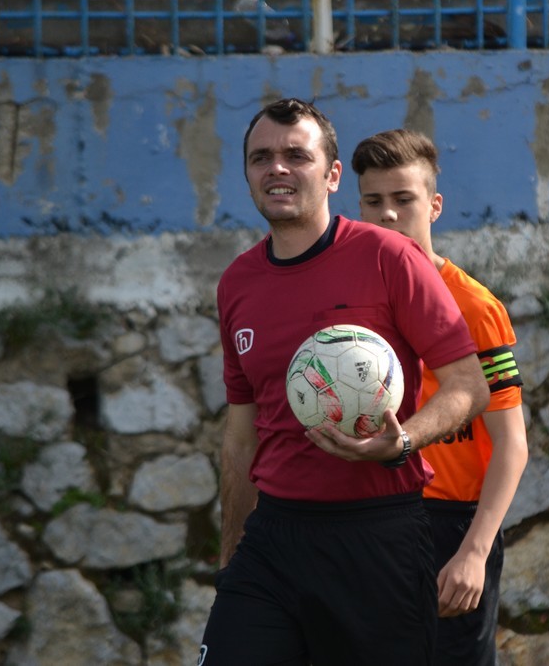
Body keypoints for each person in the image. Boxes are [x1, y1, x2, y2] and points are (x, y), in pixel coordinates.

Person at [199, 98, 490, 666]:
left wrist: (401, 442)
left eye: (296, 155)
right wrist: (232, 554)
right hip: (273, 539)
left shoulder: (390, 257)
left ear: (333, 175)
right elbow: (241, 435)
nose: (277, 168)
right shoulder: (237, 283)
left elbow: (467, 386)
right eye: (261, 157)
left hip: (377, 535)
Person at [351, 128, 529, 666]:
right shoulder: (348, 306)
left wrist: (474, 551)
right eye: (373, 201)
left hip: (451, 527)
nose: (388, 214)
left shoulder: (475, 307)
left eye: (403, 199)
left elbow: (512, 444)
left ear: (434, 206)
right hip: (365, 519)